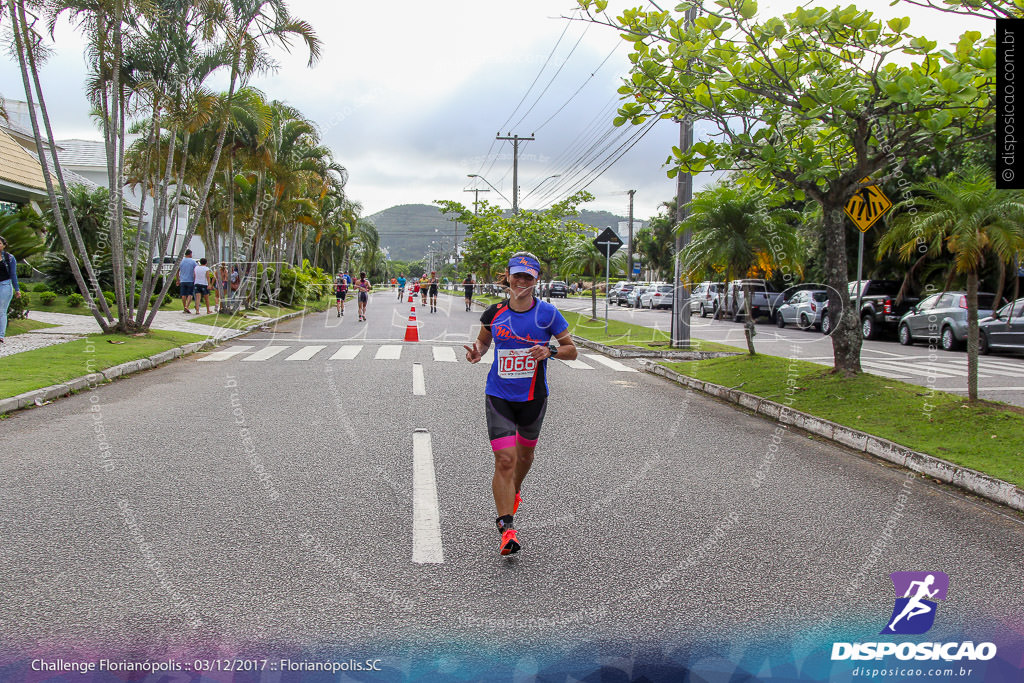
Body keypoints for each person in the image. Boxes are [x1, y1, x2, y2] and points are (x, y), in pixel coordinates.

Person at [463, 252, 578, 556]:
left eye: (528, 277)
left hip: (533, 399)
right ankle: (507, 528)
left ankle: (513, 493)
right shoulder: (494, 313)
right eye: (518, 276)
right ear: (509, 277)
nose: (522, 282)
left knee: (524, 458)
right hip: (499, 395)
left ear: (536, 280)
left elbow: (572, 350)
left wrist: (550, 350)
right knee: (505, 460)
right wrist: (477, 352)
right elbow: (485, 342)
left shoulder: (548, 314)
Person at [0, 235, 23, 345]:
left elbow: (13, 274)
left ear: (4, 245)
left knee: (1, 311)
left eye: (0, 243)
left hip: (5, 285)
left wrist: (17, 289)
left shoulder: (9, 258)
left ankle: (0, 335)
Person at [177, 249, 197, 313]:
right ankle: (187, 306)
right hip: (190, 280)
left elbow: (177, 271)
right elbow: (196, 270)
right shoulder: (193, 262)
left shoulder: (181, 261)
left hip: (182, 280)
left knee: (183, 294)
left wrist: (178, 279)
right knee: (190, 294)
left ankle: (184, 307)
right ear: (190, 254)